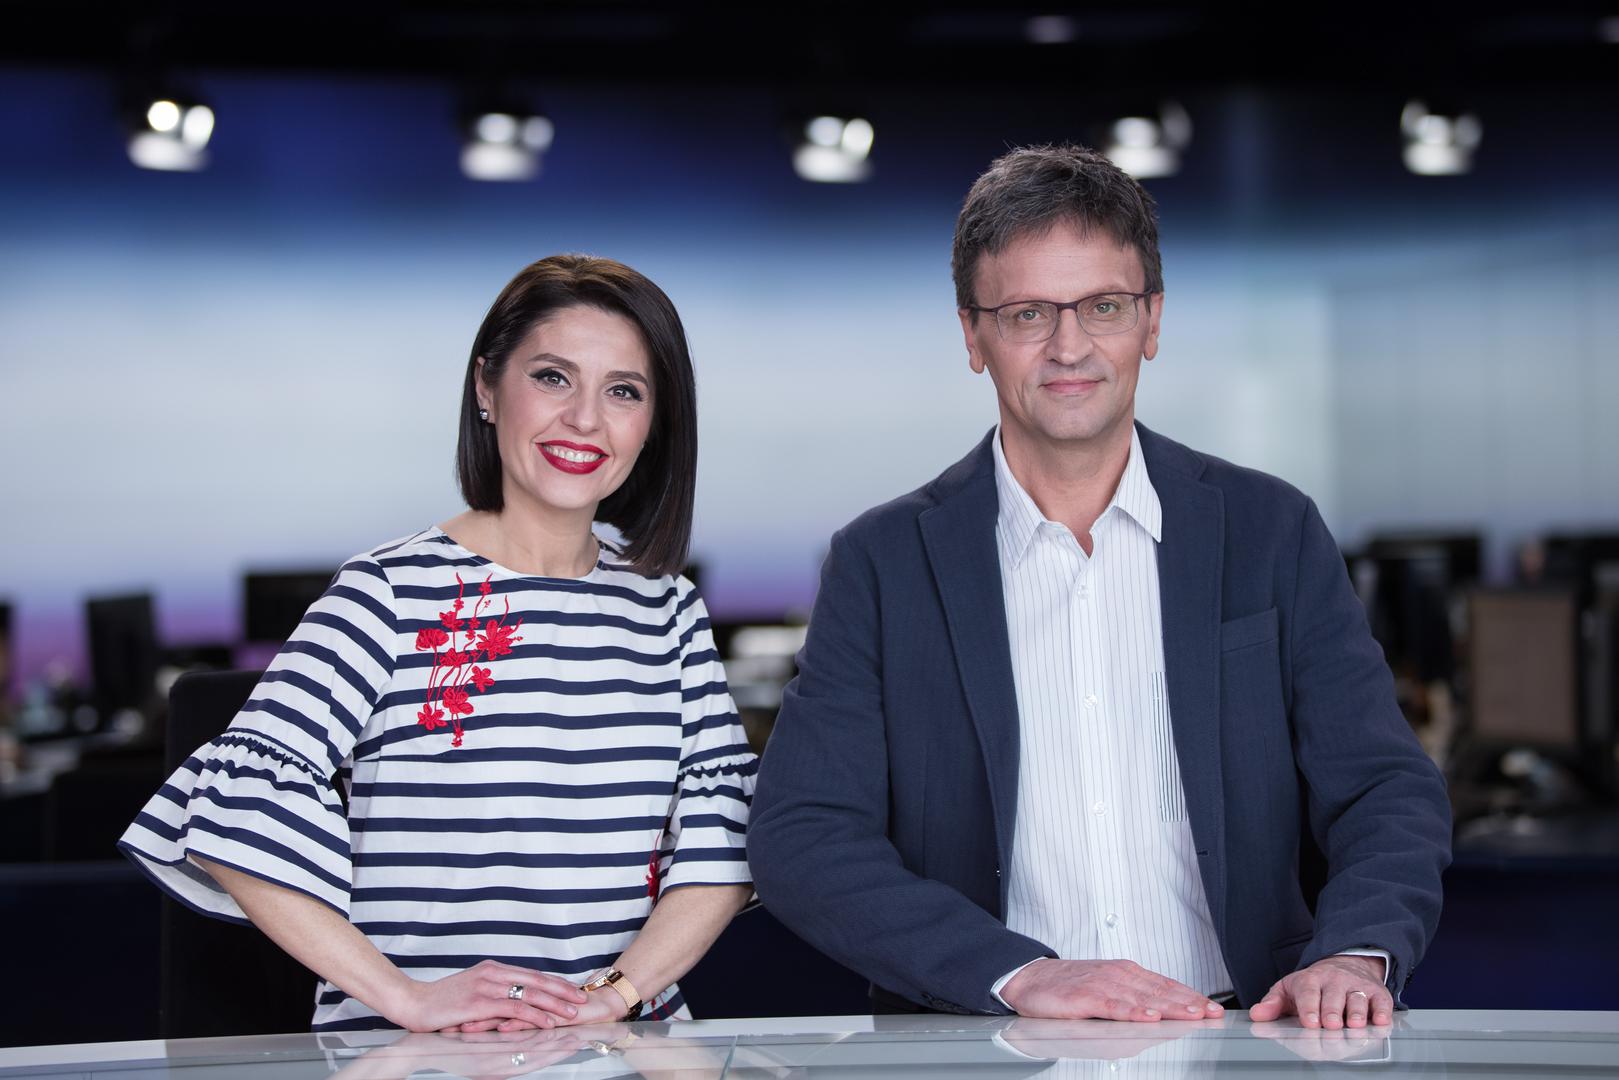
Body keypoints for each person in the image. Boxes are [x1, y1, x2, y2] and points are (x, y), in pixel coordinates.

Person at [748, 145, 1451, 1031]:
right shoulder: (881, 562)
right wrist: (1016, 974)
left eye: (1104, 307)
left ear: (1151, 320)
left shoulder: (1271, 530)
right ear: (971, 336)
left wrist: (1352, 951)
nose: (1069, 346)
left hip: (1244, 1038)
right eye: (1027, 313)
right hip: (989, 1044)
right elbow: (803, 834)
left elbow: (1383, 788)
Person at [121, 254, 756, 1033]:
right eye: (552, 378)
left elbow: (725, 841)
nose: (585, 420)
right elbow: (233, 808)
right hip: (414, 1057)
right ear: (486, 387)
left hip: (618, 1049)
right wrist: (403, 999)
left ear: (653, 422)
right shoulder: (388, 591)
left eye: (623, 391)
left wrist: (613, 998)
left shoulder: (669, 609)